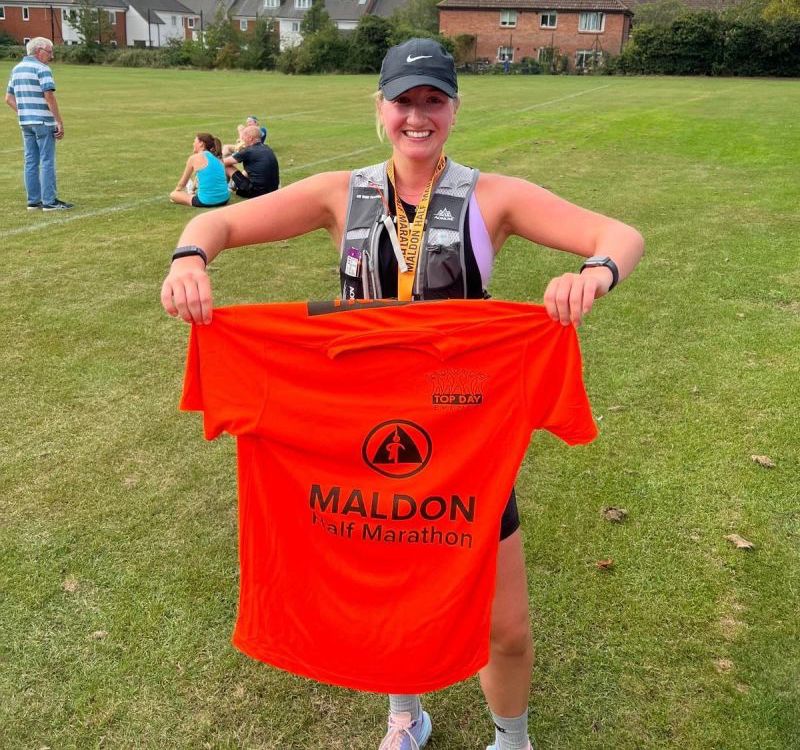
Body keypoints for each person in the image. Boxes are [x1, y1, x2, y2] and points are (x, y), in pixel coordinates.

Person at [161, 37, 644, 750]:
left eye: (433, 100)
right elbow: (221, 222)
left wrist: (593, 274)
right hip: (359, 425)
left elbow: (619, 234)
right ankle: (404, 714)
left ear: (453, 107)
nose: (417, 116)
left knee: (504, 627)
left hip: (459, 429)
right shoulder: (341, 193)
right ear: (379, 107)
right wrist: (190, 258)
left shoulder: (492, 196)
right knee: (390, 588)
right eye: (403, 101)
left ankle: (512, 740)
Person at [4, 37, 73, 212]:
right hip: (43, 121)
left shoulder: (16, 69)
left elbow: (8, 98)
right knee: (47, 160)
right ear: (39, 51)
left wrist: (24, 112)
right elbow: (49, 95)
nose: (51, 56)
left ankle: (33, 201)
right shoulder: (42, 69)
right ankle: (49, 201)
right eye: (49, 52)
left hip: (26, 122)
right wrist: (58, 120)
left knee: (30, 161)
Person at [170, 133, 229, 209]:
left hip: (206, 201)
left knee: (173, 194)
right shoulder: (218, 159)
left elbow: (181, 185)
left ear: (201, 144)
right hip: (224, 199)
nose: (193, 144)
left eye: (195, 141)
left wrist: (176, 195)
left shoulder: (194, 158)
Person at [223, 124, 280, 200]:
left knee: (227, 166)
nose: (242, 139)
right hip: (273, 189)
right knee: (252, 167)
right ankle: (232, 185)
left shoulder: (248, 151)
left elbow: (223, 162)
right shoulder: (267, 148)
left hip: (256, 192)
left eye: (243, 137)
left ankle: (224, 188)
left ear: (250, 138)